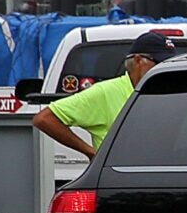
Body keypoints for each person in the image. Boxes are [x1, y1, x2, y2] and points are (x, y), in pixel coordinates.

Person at [34, 29, 175, 159]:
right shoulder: (106, 92)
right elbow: (44, 119)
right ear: (138, 60)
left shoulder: (173, 92)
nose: (166, 68)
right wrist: (92, 153)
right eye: (160, 62)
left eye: (170, 63)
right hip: (119, 180)